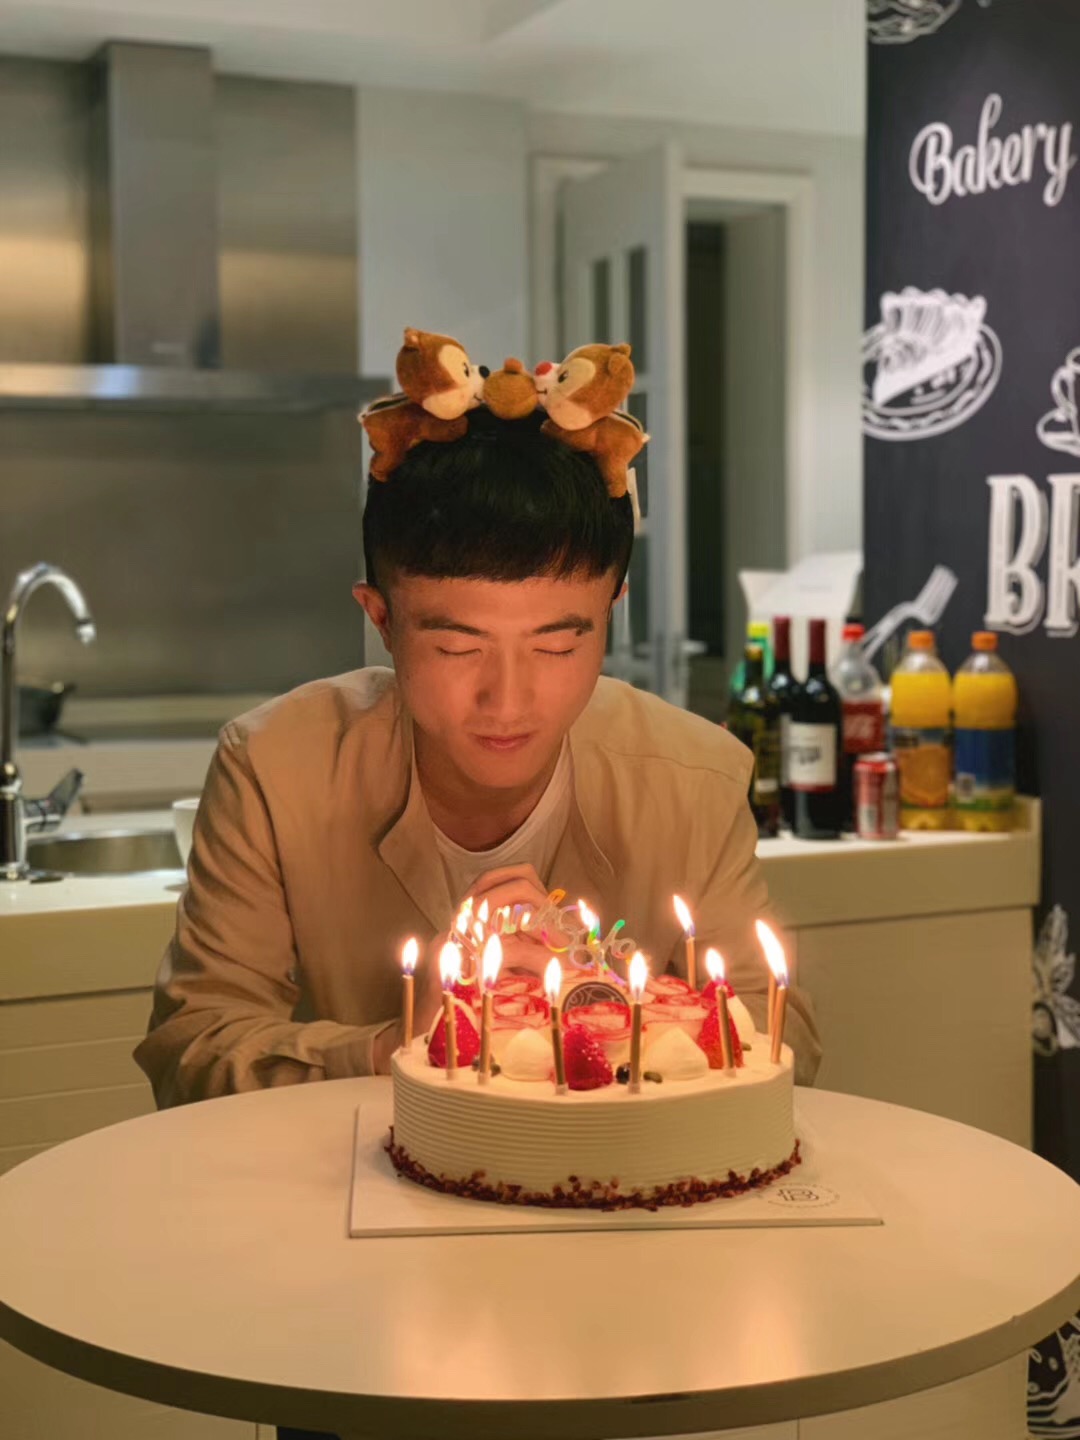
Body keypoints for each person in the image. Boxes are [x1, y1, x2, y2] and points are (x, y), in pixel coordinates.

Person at [134, 401, 821, 1440]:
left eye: (559, 642)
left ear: (614, 610)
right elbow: (193, 1045)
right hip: (352, 1293)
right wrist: (426, 1047)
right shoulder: (277, 767)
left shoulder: (691, 776)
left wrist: (590, 1012)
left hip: (637, 1295)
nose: (509, 699)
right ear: (379, 617)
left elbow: (784, 1041)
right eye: (457, 644)